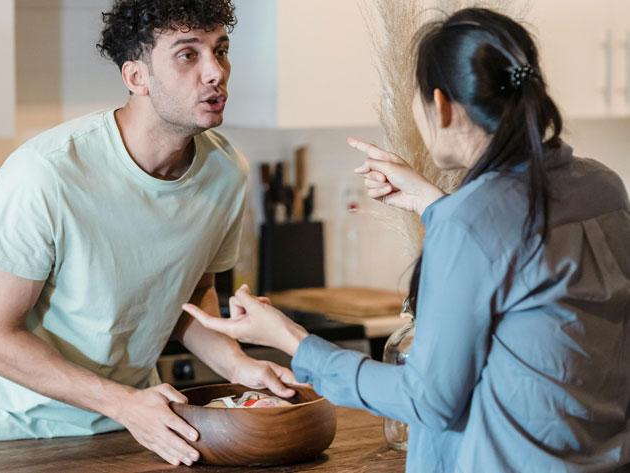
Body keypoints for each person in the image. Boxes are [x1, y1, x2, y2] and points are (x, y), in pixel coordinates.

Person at [183, 7, 630, 473]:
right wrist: (431, 201)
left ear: (441, 104)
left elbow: (428, 400)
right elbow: (520, 265)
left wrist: (291, 339)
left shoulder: (471, 223)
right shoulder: (604, 188)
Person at [0, 0, 299, 467]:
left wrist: (240, 365)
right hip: (16, 437)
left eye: (220, 50)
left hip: (132, 432)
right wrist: (122, 402)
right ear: (136, 77)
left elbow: (192, 296)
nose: (215, 72)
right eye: (187, 55)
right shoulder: (45, 173)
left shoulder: (225, 171)